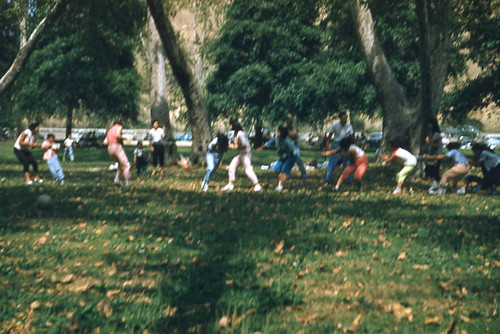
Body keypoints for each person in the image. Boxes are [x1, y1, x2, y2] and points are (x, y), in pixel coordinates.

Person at [222, 119, 262, 192]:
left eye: (230, 125)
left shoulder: (240, 134)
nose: (230, 126)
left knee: (248, 170)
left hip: (246, 154)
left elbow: (244, 145)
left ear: (234, 125)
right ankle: (230, 184)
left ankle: (257, 185)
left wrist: (234, 147)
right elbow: (238, 144)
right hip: (240, 154)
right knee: (232, 167)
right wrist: (232, 145)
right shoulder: (236, 134)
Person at [259, 126, 296, 191]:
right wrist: (262, 147)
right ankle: (282, 182)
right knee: (276, 169)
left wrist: (282, 150)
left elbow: (292, 150)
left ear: (282, 134)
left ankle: (280, 186)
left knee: (284, 171)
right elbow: (269, 143)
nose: (277, 133)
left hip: (290, 157)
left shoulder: (287, 141)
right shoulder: (276, 138)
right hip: (282, 157)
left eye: (279, 132)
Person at [324, 112, 354, 185]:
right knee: (332, 162)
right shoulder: (335, 125)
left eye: (346, 118)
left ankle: (349, 180)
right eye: (343, 118)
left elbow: (352, 136)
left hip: (345, 145)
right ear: (340, 118)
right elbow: (330, 135)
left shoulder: (349, 126)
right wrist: (327, 145)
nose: (345, 120)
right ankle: (328, 179)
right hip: (336, 144)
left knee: (347, 163)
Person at [103, 121, 131, 187]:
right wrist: (125, 138)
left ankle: (117, 179)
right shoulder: (119, 127)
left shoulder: (110, 130)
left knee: (120, 164)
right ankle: (127, 182)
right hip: (116, 147)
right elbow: (118, 135)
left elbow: (105, 142)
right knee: (126, 164)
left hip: (110, 148)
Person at [285, 114, 307, 178]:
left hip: (294, 146)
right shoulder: (284, 129)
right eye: (287, 120)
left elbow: (295, 138)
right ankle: (287, 174)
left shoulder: (294, 129)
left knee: (298, 160)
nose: (288, 121)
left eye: (289, 120)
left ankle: (304, 173)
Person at [425, 118, 442, 193]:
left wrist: (429, 143)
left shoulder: (436, 134)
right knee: (431, 171)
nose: (428, 126)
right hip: (433, 156)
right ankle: (436, 185)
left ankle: (439, 185)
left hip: (437, 156)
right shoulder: (431, 133)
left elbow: (437, 145)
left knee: (433, 171)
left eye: (429, 124)